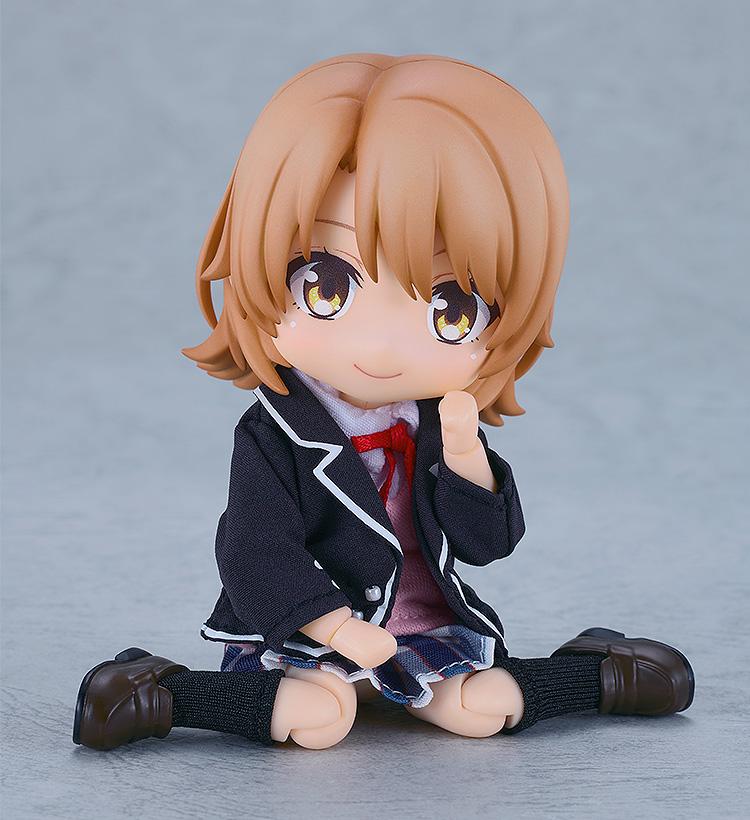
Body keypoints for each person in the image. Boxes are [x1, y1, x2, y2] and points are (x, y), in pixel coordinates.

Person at [74, 53, 693, 751]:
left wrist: (466, 460)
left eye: (449, 308)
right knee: (316, 718)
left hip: (423, 628)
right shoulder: (274, 434)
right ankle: (162, 690)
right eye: (326, 287)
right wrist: (335, 627)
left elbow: (488, 546)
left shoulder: (435, 422)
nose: (381, 345)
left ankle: (595, 672)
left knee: (483, 707)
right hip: (308, 632)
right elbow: (252, 550)